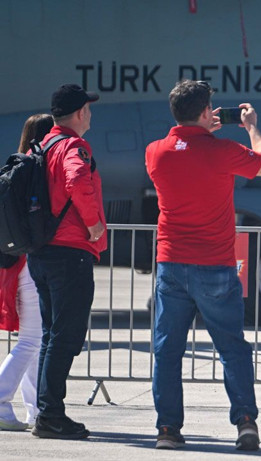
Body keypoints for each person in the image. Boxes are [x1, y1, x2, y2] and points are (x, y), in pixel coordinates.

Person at [145, 80, 261, 450]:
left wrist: (198, 129)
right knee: (232, 348)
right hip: (215, 264)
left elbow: (184, 147)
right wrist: (251, 127)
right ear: (207, 112)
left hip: (171, 263)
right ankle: (245, 422)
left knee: (167, 351)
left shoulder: (155, 152)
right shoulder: (223, 151)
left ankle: (168, 429)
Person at [26, 84, 105, 439]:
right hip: (68, 254)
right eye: (88, 107)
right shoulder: (73, 147)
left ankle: (46, 412)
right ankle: (51, 415)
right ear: (80, 113)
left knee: (51, 336)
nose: (90, 113)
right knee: (65, 336)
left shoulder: (43, 145)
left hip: (41, 253)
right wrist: (93, 223)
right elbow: (77, 179)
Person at [0, 114, 54, 431]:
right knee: (33, 340)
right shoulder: (37, 171)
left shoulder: (17, 169)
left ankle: (35, 410)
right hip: (32, 263)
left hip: (17, 262)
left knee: (35, 340)